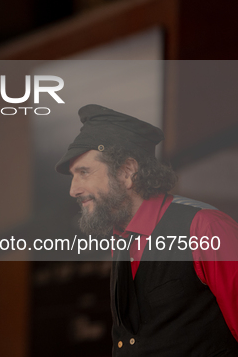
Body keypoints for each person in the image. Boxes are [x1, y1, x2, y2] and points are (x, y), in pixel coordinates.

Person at [55, 104, 238, 356]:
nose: (73, 189)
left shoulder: (205, 226)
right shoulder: (120, 239)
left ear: (127, 172)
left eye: (84, 172)